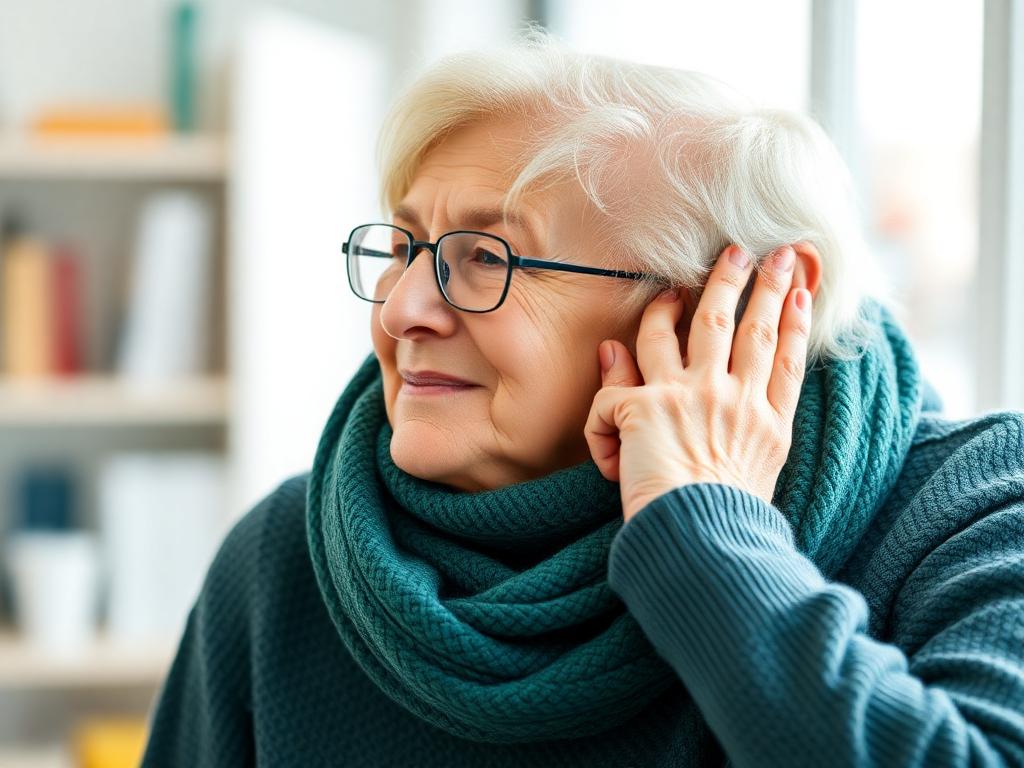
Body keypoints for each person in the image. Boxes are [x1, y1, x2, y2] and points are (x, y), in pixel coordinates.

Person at [140, 28, 1024, 767]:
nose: (404, 308)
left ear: (740, 303)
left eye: (487, 257)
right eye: (406, 245)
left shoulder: (973, 508)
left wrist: (705, 528)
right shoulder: (283, 563)